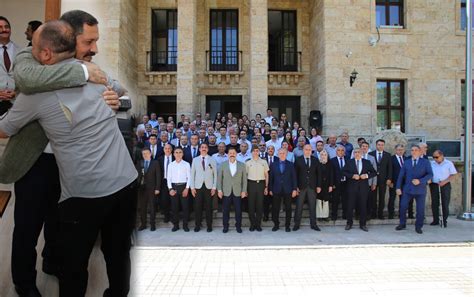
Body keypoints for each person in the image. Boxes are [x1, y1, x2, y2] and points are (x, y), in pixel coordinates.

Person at [0, 20, 138, 297]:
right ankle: (24, 284)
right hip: (36, 161)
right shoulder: (34, 68)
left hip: (76, 174)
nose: (93, 49)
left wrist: (112, 96)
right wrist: (82, 72)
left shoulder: (91, 72)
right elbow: (26, 79)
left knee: (63, 232)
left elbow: (119, 88)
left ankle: (54, 263)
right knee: (28, 227)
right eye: (89, 42)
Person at [395, 145, 433, 234]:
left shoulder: (426, 162)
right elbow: (401, 176)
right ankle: (402, 223)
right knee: (403, 207)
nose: (414, 152)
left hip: (420, 189)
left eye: (416, 150)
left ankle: (418, 226)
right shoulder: (406, 162)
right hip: (407, 189)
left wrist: (420, 181)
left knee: (420, 209)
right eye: (412, 150)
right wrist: (398, 187)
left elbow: (430, 174)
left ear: (420, 152)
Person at [343, 148, 377, 232]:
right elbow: (343, 172)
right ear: (353, 154)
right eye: (355, 152)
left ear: (362, 153)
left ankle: (363, 224)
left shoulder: (366, 162)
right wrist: (352, 176)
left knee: (363, 206)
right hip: (351, 187)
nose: (357, 153)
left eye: (359, 152)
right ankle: (349, 223)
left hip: (363, 188)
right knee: (350, 206)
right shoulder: (349, 162)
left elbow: (374, 172)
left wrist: (366, 176)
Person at [217, 147, 247, 233]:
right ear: (228, 154)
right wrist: (219, 190)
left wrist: (244, 191)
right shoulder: (223, 165)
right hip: (226, 191)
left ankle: (238, 226)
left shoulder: (242, 165)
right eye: (230, 153)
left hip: (238, 191)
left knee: (238, 211)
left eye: (233, 153)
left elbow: (244, 180)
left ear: (236, 154)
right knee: (225, 211)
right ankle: (225, 226)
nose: (232, 154)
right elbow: (219, 179)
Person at [190, 143, 218, 232]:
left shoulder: (212, 159)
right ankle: (197, 225)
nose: (204, 149)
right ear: (199, 149)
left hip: (209, 187)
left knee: (208, 207)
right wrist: (192, 187)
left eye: (205, 147)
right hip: (198, 187)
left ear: (208, 149)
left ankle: (209, 225)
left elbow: (215, 174)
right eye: (202, 147)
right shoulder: (195, 160)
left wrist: (214, 187)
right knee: (197, 207)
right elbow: (192, 174)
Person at [268, 148, 298, 232]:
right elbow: (271, 178)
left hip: (288, 189)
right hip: (276, 189)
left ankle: (287, 225)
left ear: (286, 154)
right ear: (278, 154)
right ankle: (276, 224)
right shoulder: (273, 164)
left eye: (283, 153)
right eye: (280, 153)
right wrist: (270, 189)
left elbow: (294, 178)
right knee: (275, 208)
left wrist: (294, 189)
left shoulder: (291, 164)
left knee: (288, 208)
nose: (282, 154)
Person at [294, 144, 321, 231]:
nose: (308, 151)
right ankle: (296, 224)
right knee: (299, 206)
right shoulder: (298, 160)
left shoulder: (316, 160)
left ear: (311, 150)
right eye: (306, 149)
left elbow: (319, 174)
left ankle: (313, 224)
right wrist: (296, 187)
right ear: (303, 150)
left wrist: (319, 186)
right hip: (301, 187)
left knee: (312, 206)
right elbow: (295, 175)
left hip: (312, 187)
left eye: (309, 149)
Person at [429, 150, 457, 227]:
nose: (435, 159)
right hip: (434, 184)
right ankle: (435, 220)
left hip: (445, 184)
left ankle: (444, 220)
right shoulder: (432, 163)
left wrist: (445, 181)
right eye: (433, 157)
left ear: (441, 156)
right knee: (435, 203)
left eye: (436, 157)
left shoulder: (448, 163)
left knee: (445, 203)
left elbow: (453, 174)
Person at [167, 147, 191, 232]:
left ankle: (185, 225)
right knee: (174, 208)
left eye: (180, 152)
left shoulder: (186, 164)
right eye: (176, 152)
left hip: (184, 186)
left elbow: (189, 177)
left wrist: (187, 188)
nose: (178, 154)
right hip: (174, 187)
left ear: (182, 154)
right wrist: (170, 189)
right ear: (173, 154)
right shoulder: (171, 165)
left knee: (185, 207)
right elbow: (169, 178)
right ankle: (176, 225)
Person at [136, 148, 161, 232]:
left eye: (147, 153)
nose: (145, 155)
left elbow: (158, 176)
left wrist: (157, 188)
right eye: (143, 154)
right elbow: (137, 175)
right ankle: (143, 224)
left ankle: (152, 224)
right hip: (142, 189)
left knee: (152, 207)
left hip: (152, 188)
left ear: (150, 154)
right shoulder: (140, 163)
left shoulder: (155, 162)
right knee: (142, 207)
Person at [246, 145, 269, 232]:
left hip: (261, 184)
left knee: (260, 205)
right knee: (251, 205)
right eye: (254, 151)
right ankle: (252, 224)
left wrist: (266, 187)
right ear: (251, 152)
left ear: (259, 152)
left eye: (257, 151)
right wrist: (245, 189)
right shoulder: (247, 163)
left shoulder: (264, 162)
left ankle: (258, 224)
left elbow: (267, 175)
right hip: (251, 184)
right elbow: (245, 176)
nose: (255, 152)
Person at [0, 16, 20, 114]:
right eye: (0, 27)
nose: (4, 30)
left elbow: (26, 77)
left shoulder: (21, 51)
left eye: (6, 27)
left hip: (16, 102)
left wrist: (17, 92)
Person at [369, 139, 392, 219]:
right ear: (376, 145)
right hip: (373, 179)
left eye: (382, 145)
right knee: (373, 197)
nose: (380, 146)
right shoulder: (370, 154)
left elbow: (390, 168)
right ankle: (373, 213)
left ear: (384, 145)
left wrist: (389, 178)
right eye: (379, 144)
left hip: (383, 179)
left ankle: (380, 214)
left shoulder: (388, 155)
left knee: (382, 197)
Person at [389, 144, 409, 219]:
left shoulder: (407, 159)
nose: (400, 151)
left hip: (405, 183)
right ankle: (391, 215)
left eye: (401, 150)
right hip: (394, 182)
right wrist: (390, 181)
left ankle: (402, 215)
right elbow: (389, 170)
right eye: (398, 150)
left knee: (403, 199)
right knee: (392, 198)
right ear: (395, 150)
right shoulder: (391, 159)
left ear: (404, 150)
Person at [330, 145, 348, 220]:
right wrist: (332, 184)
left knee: (345, 200)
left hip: (346, 184)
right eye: (339, 150)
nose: (340, 152)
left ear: (344, 152)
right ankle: (334, 216)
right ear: (336, 151)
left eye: (342, 150)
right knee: (335, 201)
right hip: (336, 184)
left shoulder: (348, 160)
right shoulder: (332, 160)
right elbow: (330, 173)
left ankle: (345, 215)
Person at [360, 141, 377, 219]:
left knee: (369, 199)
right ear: (361, 147)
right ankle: (359, 214)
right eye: (363, 146)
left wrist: (374, 183)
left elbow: (374, 171)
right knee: (359, 199)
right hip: (359, 182)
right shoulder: (357, 156)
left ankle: (368, 215)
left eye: (366, 146)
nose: (364, 147)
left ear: (368, 148)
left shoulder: (372, 158)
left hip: (369, 182)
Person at [158, 144, 174, 223]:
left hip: (174, 181)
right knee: (164, 200)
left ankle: (174, 216)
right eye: (166, 148)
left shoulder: (175, 158)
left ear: (171, 149)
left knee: (173, 200)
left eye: (169, 148)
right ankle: (166, 216)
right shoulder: (160, 159)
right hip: (164, 181)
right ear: (164, 150)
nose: (167, 150)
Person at [316, 150, 334, 222]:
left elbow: (332, 175)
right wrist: (317, 186)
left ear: (327, 156)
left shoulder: (330, 164)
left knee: (326, 200)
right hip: (319, 185)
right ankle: (319, 215)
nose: (323, 156)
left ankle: (325, 216)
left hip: (327, 185)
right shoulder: (317, 164)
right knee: (319, 200)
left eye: (325, 154)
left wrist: (331, 185)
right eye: (322, 154)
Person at [262, 145, 277, 221]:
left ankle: (274, 217)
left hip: (275, 183)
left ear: (274, 150)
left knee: (275, 201)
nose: (270, 150)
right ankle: (266, 216)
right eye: (269, 149)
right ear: (266, 150)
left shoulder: (277, 159)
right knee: (265, 201)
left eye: (272, 149)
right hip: (265, 182)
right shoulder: (262, 160)